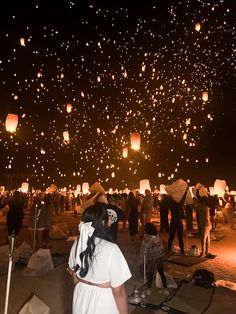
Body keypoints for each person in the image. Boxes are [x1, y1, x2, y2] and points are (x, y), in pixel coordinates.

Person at [68, 203, 131, 314]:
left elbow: (74, 276)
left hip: (81, 295)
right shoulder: (111, 249)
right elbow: (119, 292)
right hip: (102, 302)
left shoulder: (77, 243)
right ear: (103, 222)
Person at [138, 222, 167, 295]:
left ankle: (148, 289)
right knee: (161, 272)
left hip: (153, 258)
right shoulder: (157, 235)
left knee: (150, 273)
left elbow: (144, 249)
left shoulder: (148, 238)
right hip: (160, 256)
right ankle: (165, 288)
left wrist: (140, 259)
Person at [167, 188, 188, 255]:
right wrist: (185, 191)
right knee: (179, 237)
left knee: (171, 237)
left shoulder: (172, 205)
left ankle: (169, 249)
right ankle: (182, 251)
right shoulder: (178, 205)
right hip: (178, 222)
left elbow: (181, 200)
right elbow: (182, 199)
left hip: (174, 222)